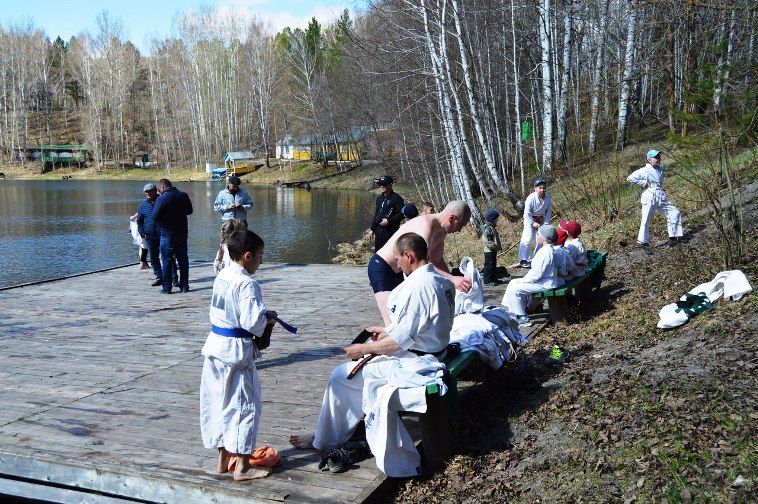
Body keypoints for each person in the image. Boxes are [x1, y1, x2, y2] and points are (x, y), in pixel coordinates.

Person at [288, 232, 455, 475]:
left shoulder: (420, 286)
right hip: (433, 351)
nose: (397, 265)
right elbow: (422, 325)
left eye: (398, 259)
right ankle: (332, 432)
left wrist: (364, 349)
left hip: (417, 363)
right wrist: (387, 330)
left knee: (341, 377)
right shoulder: (441, 281)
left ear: (409, 256)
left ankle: (325, 440)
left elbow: (399, 341)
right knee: (352, 377)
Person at [200, 229, 276, 481]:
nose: (261, 262)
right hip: (235, 352)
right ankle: (242, 467)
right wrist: (268, 320)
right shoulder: (247, 283)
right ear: (247, 256)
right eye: (260, 256)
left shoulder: (223, 273)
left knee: (219, 403)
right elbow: (253, 322)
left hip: (214, 346)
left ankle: (222, 461)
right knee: (245, 405)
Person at [369, 200, 472, 326]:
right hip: (383, 267)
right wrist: (452, 279)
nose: (459, 230)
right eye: (460, 225)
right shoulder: (426, 225)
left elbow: (437, 261)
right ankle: (377, 343)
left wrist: (450, 285)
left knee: (406, 318)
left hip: (403, 270)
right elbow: (420, 264)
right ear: (452, 218)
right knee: (392, 320)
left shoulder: (440, 232)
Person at [502, 225, 559, 327]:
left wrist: (524, 280)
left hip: (545, 283)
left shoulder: (546, 252)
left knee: (515, 288)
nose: (536, 235)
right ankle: (514, 311)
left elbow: (537, 274)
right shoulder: (548, 250)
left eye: (538, 234)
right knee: (512, 282)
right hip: (545, 281)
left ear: (544, 238)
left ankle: (521, 316)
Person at [627, 149, 683, 249]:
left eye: (659, 157)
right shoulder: (644, 170)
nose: (658, 159)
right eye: (656, 157)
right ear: (649, 159)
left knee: (674, 212)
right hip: (649, 196)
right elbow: (630, 178)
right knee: (646, 220)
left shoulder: (660, 169)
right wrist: (644, 183)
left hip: (660, 195)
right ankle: (644, 244)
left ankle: (673, 238)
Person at [153, 179, 193, 294]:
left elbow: (155, 216)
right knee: (183, 261)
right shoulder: (183, 195)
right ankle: (184, 286)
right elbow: (190, 211)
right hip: (182, 234)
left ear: (161, 188)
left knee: (167, 261)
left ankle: (167, 288)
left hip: (167, 235)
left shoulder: (161, 198)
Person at [518, 178, 552, 268]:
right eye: (540, 188)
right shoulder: (530, 198)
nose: (542, 190)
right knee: (527, 237)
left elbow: (548, 212)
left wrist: (545, 224)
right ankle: (523, 259)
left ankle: (537, 257)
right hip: (530, 218)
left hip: (541, 219)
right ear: (535, 189)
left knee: (541, 238)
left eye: (544, 188)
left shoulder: (548, 197)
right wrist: (533, 223)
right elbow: (527, 213)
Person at [136, 183, 163, 286]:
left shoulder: (161, 201)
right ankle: (159, 276)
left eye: (149, 191)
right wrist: (143, 234)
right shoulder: (143, 205)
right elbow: (139, 221)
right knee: (153, 258)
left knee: (167, 256)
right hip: (150, 236)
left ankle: (173, 278)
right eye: (146, 192)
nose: (147, 193)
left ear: (155, 190)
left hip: (163, 234)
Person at [369, 175, 404, 251]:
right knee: (378, 254)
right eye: (380, 184)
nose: (382, 186)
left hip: (390, 232)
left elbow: (402, 214)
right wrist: (372, 229)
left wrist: (388, 221)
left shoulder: (397, 198)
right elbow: (377, 214)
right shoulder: (379, 198)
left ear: (390, 185)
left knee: (389, 255)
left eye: (384, 184)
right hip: (379, 233)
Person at [481, 208, 503, 285]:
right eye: (496, 219)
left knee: (493, 265)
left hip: (493, 250)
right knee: (489, 266)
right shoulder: (487, 228)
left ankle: (494, 279)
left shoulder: (491, 227)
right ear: (492, 219)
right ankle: (487, 280)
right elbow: (486, 240)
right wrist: (494, 247)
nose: (497, 220)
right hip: (489, 251)